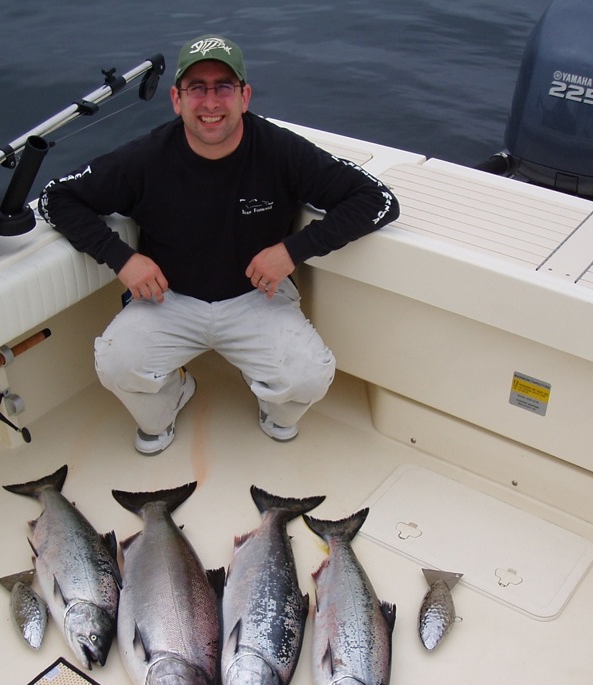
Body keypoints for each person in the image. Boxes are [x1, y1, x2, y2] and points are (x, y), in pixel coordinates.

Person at [39, 34, 399, 454]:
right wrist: (122, 259)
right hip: (165, 298)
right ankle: (174, 392)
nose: (210, 102)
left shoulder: (280, 150)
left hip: (258, 297)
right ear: (176, 99)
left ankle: (270, 401)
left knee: (306, 378)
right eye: (197, 88)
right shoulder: (144, 157)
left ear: (244, 96)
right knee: (119, 369)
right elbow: (55, 198)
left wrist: (293, 250)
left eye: (223, 87)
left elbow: (379, 201)